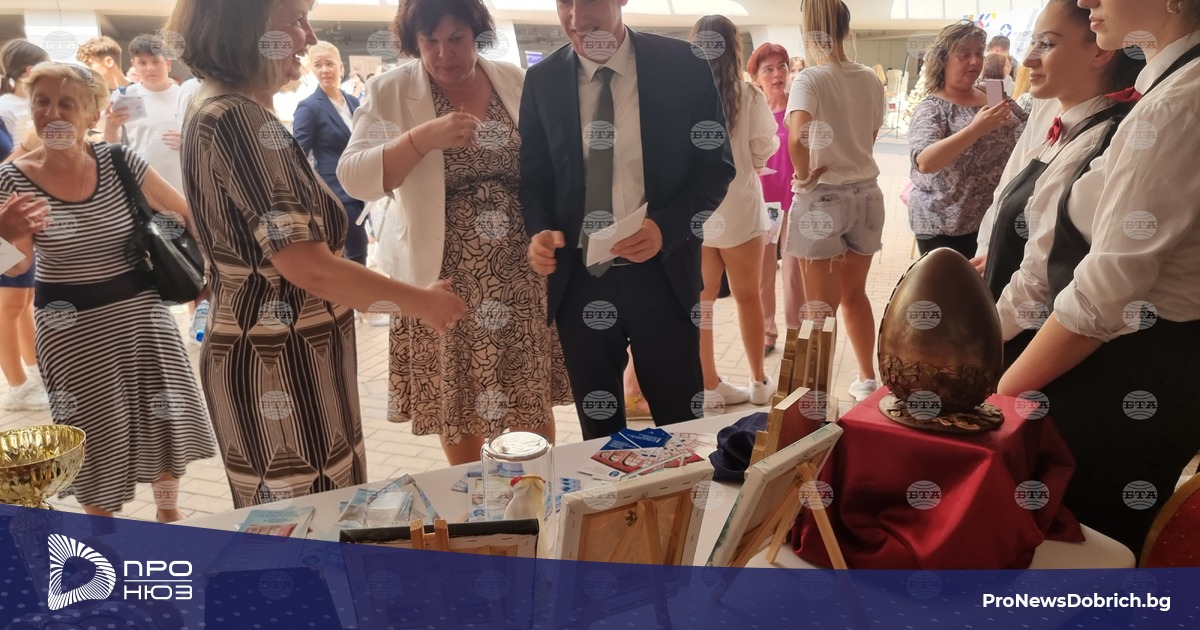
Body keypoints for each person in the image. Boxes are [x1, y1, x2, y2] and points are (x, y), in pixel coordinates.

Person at [168, 0, 467, 507]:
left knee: (308, 518)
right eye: (294, 21)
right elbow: (307, 266)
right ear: (243, 28)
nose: (307, 38)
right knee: (310, 520)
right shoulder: (237, 120)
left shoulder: (219, 106)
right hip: (279, 363)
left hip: (286, 352)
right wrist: (422, 302)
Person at [998, 0, 1200, 555]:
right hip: (1126, 365)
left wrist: (998, 400)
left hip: (1126, 374)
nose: (1087, 1)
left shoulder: (1176, 104)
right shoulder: (1169, 88)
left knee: (1078, 555)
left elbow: (1103, 294)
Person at [338, 0, 571, 465]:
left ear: (476, 33)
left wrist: (548, 229)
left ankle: (536, 493)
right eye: (430, 42)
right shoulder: (390, 91)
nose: (444, 54)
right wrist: (421, 139)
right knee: (459, 404)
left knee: (529, 396)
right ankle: (477, 501)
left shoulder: (514, 80)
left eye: (456, 39)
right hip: (442, 280)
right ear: (414, 42)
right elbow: (354, 177)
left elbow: (546, 170)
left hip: (521, 275)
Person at [1, 62, 216, 521]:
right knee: (93, 433)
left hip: (144, 319)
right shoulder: (12, 179)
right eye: (42, 101)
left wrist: (214, 280)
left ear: (93, 113)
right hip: (71, 329)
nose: (52, 113)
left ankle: (169, 515)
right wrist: (4, 232)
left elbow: (187, 216)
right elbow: (15, 266)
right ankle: (103, 536)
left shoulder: (120, 162)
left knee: (163, 421)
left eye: (66, 103)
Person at [521, 0, 735, 440]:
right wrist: (539, 231)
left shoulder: (683, 64)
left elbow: (716, 168)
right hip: (580, 283)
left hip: (663, 276)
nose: (576, 18)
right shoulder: (542, 80)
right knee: (599, 436)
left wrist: (665, 228)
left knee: (680, 427)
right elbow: (535, 179)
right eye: (564, 2)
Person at [984, 0, 1144, 313]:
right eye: (1033, 43)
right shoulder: (1065, 125)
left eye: (1046, 44)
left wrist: (980, 335)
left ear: (1100, 51)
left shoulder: (1100, 142)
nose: (1028, 59)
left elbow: (1037, 282)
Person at [783, 0, 888, 403]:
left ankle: (814, 397)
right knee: (855, 294)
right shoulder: (870, 78)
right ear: (846, 29)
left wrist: (803, 175)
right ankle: (867, 379)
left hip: (823, 200)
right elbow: (871, 136)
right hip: (868, 196)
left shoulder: (810, 79)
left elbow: (797, 138)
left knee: (819, 310)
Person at [690, 16, 777, 406]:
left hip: (699, 215)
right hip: (741, 209)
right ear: (734, 48)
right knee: (748, 297)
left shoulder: (685, 94)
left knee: (703, 303)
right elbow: (762, 147)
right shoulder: (749, 94)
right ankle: (758, 382)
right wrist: (751, 161)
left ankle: (709, 384)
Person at [908, 21, 1028, 259]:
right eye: (964, 55)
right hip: (944, 225)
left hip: (991, 219)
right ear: (943, 60)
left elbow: (1026, 125)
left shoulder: (991, 91)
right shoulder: (932, 108)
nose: (974, 61)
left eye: (978, 53)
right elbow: (925, 162)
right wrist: (975, 130)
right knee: (951, 283)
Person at [0, 40, 48, 412]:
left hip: (21, 216)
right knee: (9, 302)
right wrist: (25, 150)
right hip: (5, 219)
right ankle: (16, 385)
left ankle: (33, 367)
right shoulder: (6, 108)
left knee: (25, 298)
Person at [748, 42, 804, 357]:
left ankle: (796, 334)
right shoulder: (752, 113)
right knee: (764, 272)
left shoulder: (798, 110)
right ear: (756, 78)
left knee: (794, 273)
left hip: (795, 201)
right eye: (768, 69)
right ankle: (767, 333)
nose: (777, 74)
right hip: (764, 205)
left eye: (781, 67)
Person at [292, 42, 368, 266]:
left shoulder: (353, 102)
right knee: (355, 255)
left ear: (341, 67)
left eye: (329, 64)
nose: (324, 70)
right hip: (335, 194)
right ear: (312, 70)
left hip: (361, 191)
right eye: (318, 65)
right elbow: (296, 157)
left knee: (352, 255)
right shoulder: (309, 107)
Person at [102, 35, 184, 193]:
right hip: (141, 185)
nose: (150, 68)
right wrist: (110, 127)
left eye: (156, 62)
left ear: (168, 64)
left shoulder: (185, 96)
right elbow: (111, 148)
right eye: (142, 63)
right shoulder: (124, 97)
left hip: (182, 184)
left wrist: (188, 142)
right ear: (134, 65)